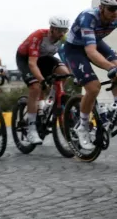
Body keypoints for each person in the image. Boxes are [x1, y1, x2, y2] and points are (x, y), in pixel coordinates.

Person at [59, 0, 117, 151]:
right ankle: (82, 127)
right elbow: (90, 51)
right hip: (76, 49)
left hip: (96, 42)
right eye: (111, 9)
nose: (115, 13)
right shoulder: (88, 16)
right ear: (101, 7)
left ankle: (115, 107)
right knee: (93, 87)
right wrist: (109, 67)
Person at [15, 16, 72, 145]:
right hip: (26, 59)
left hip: (44, 58)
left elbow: (67, 60)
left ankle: (49, 102)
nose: (62, 34)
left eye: (65, 30)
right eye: (59, 30)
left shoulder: (63, 40)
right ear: (51, 29)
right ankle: (31, 128)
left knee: (64, 74)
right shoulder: (39, 36)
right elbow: (32, 64)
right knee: (36, 87)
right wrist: (42, 81)